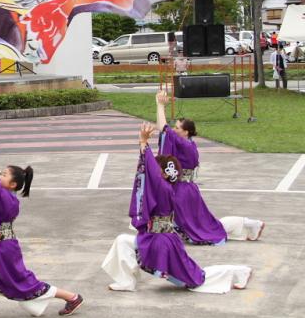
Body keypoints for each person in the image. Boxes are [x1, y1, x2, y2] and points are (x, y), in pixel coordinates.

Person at [101, 123, 252, 293]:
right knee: (123, 241)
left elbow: (150, 169)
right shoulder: (167, 186)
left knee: (196, 279)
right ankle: (127, 281)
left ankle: (240, 271)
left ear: (164, 174)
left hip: (161, 242)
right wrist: (143, 144)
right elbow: (151, 171)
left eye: (158, 170)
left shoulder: (162, 187)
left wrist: (143, 143)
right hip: (157, 239)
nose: (153, 173)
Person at [0, 137, 84, 317]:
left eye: (4, 175)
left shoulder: (9, 199)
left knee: (25, 285)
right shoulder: (3, 194)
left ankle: (72, 297)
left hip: (3, 250)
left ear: (13, 185)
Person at [155, 91, 264, 245]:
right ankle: (248, 223)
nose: (174, 130)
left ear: (186, 132)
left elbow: (163, 129)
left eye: (177, 128)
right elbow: (166, 131)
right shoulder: (189, 143)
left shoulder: (183, 143)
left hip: (181, 191)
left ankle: (248, 223)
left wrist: (160, 106)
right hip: (188, 189)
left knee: (205, 226)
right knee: (204, 223)